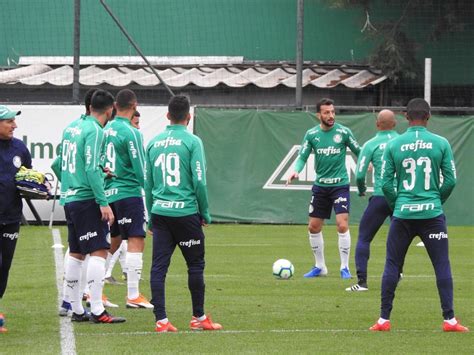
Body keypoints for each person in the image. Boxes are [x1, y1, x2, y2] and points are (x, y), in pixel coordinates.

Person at [370, 98, 468, 332]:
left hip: (403, 214)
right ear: (429, 117)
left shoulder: (395, 144)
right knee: (441, 265)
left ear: (405, 117)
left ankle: (384, 320)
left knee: (392, 265)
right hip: (432, 215)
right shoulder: (441, 143)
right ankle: (450, 320)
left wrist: (397, 205)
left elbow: (384, 183)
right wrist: (436, 200)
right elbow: (451, 180)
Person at [145, 95, 222, 332]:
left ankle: (162, 321)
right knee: (195, 265)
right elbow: (199, 181)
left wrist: (150, 215)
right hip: (185, 213)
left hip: (160, 213)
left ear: (167, 116)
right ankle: (198, 318)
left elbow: (147, 184)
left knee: (159, 267)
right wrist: (205, 212)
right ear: (189, 117)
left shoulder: (153, 142)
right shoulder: (192, 142)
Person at [61, 89, 125, 324]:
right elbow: (89, 169)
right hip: (86, 199)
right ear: (110, 110)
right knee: (99, 249)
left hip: (70, 198)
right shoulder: (96, 130)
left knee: (76, 253)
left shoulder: (71, 127)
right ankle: (98, 310)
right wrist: (103, 201)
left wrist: (98, 171)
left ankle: (76, 309)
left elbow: (61, 163)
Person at [287, 98, 360, 279]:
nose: (331, 115)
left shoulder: (343, 132)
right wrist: (295, 171)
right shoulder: (312, 135)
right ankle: (320, 266)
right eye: (327, 112)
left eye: (333, 112)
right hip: (321, 187)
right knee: (313, 227)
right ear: (318, 115)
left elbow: (359, 150)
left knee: (342, 224)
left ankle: (345, 267)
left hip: (340, 185)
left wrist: (367, 162)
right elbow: (302, 156)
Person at [102, 89, 152, 309]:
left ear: (114, 105)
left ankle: (92, 290)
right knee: (136, 238)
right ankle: (133, 294)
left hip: (108, 192)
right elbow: (140, 170)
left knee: (111, 242)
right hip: (128, 193)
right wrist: (151, 195)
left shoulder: (105, 128)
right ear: (134, 105)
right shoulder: (132, 132)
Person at [346, 110, 399, 292]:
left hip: (380, 196)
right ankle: (396, 272)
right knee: (399, 238)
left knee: (364, 238)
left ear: (377, 124)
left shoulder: (370, 144)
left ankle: (362, 282)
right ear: (396, 124)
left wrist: (362, 190)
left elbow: (360, 175)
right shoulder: (403, 142)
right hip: (401, 198)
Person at [0, 105, 32, 333]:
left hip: (11, 217)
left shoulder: (20, 148)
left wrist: (36, 186)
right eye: (9, 121)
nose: (15, 125)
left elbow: (28, 177)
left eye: (14, 121)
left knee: (4, 268)